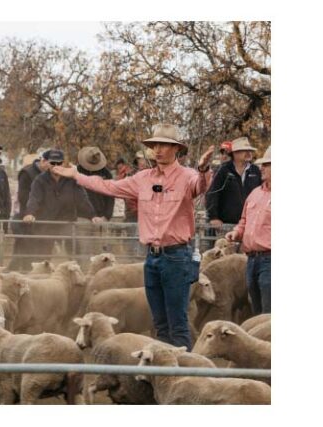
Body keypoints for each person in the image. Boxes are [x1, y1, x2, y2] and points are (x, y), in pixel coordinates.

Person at [53, 123, 214, 351]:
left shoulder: (187, 176)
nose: (158, 150)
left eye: (164, 145)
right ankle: (163, 371)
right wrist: (76, 176)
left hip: (177, 256)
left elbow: (201, 185)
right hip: (152, 258)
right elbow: (108, 186)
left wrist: (204, 169)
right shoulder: (143, 178)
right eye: (155, 145)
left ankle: (182, 375)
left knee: (177, 323)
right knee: (159, 323)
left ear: (176, 149)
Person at [23, 149, 102, 259]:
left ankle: (74, 271)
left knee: (74, 251)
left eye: (59, 163)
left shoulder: (72, 180)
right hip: (47, 222)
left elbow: (82, 199)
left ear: (63, 163)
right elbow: (34, 198)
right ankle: (44, 273)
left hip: (67, 221)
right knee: (43, 255)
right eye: (53, 163)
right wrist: (30, 213)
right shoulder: (39, 180)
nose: (56, 166)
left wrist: (92, 215)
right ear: (48, 163)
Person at [226, 146, 271, 314]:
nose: (261, 168)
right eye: (262, 165)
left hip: (270, 259)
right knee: (257, 310)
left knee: (269, 311)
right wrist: (237, 232)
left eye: (267, 165)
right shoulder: (255, 193)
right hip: (252, 260)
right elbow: (244, 221)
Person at [205, 137, 262, 231]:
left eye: (249, 150)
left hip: (251, 225)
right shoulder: (223, 170)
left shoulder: (256, 171)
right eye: (244, 150)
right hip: (226, 225)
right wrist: (214, 217)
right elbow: (213, 193)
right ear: (234, 153)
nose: (248, 153)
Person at [8, 151, 50, 270]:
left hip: (29, 216)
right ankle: (22, 270)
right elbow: (23, 197)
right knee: (24, 246)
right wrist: (30, 212)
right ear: (42, 161)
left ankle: (18, 270)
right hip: (23, 217)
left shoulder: (42, 173)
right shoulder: (27, 174)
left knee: (24, 247)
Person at [76, 146, 116, 261]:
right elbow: (76, 196)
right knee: (84, 248)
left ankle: (100, 275)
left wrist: (106, 215)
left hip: (101, 217)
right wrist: (88, 214)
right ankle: (84, 273)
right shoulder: (77, 172)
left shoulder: (106, 174)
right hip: (82, 216)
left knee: (101, 250)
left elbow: (110, 195)